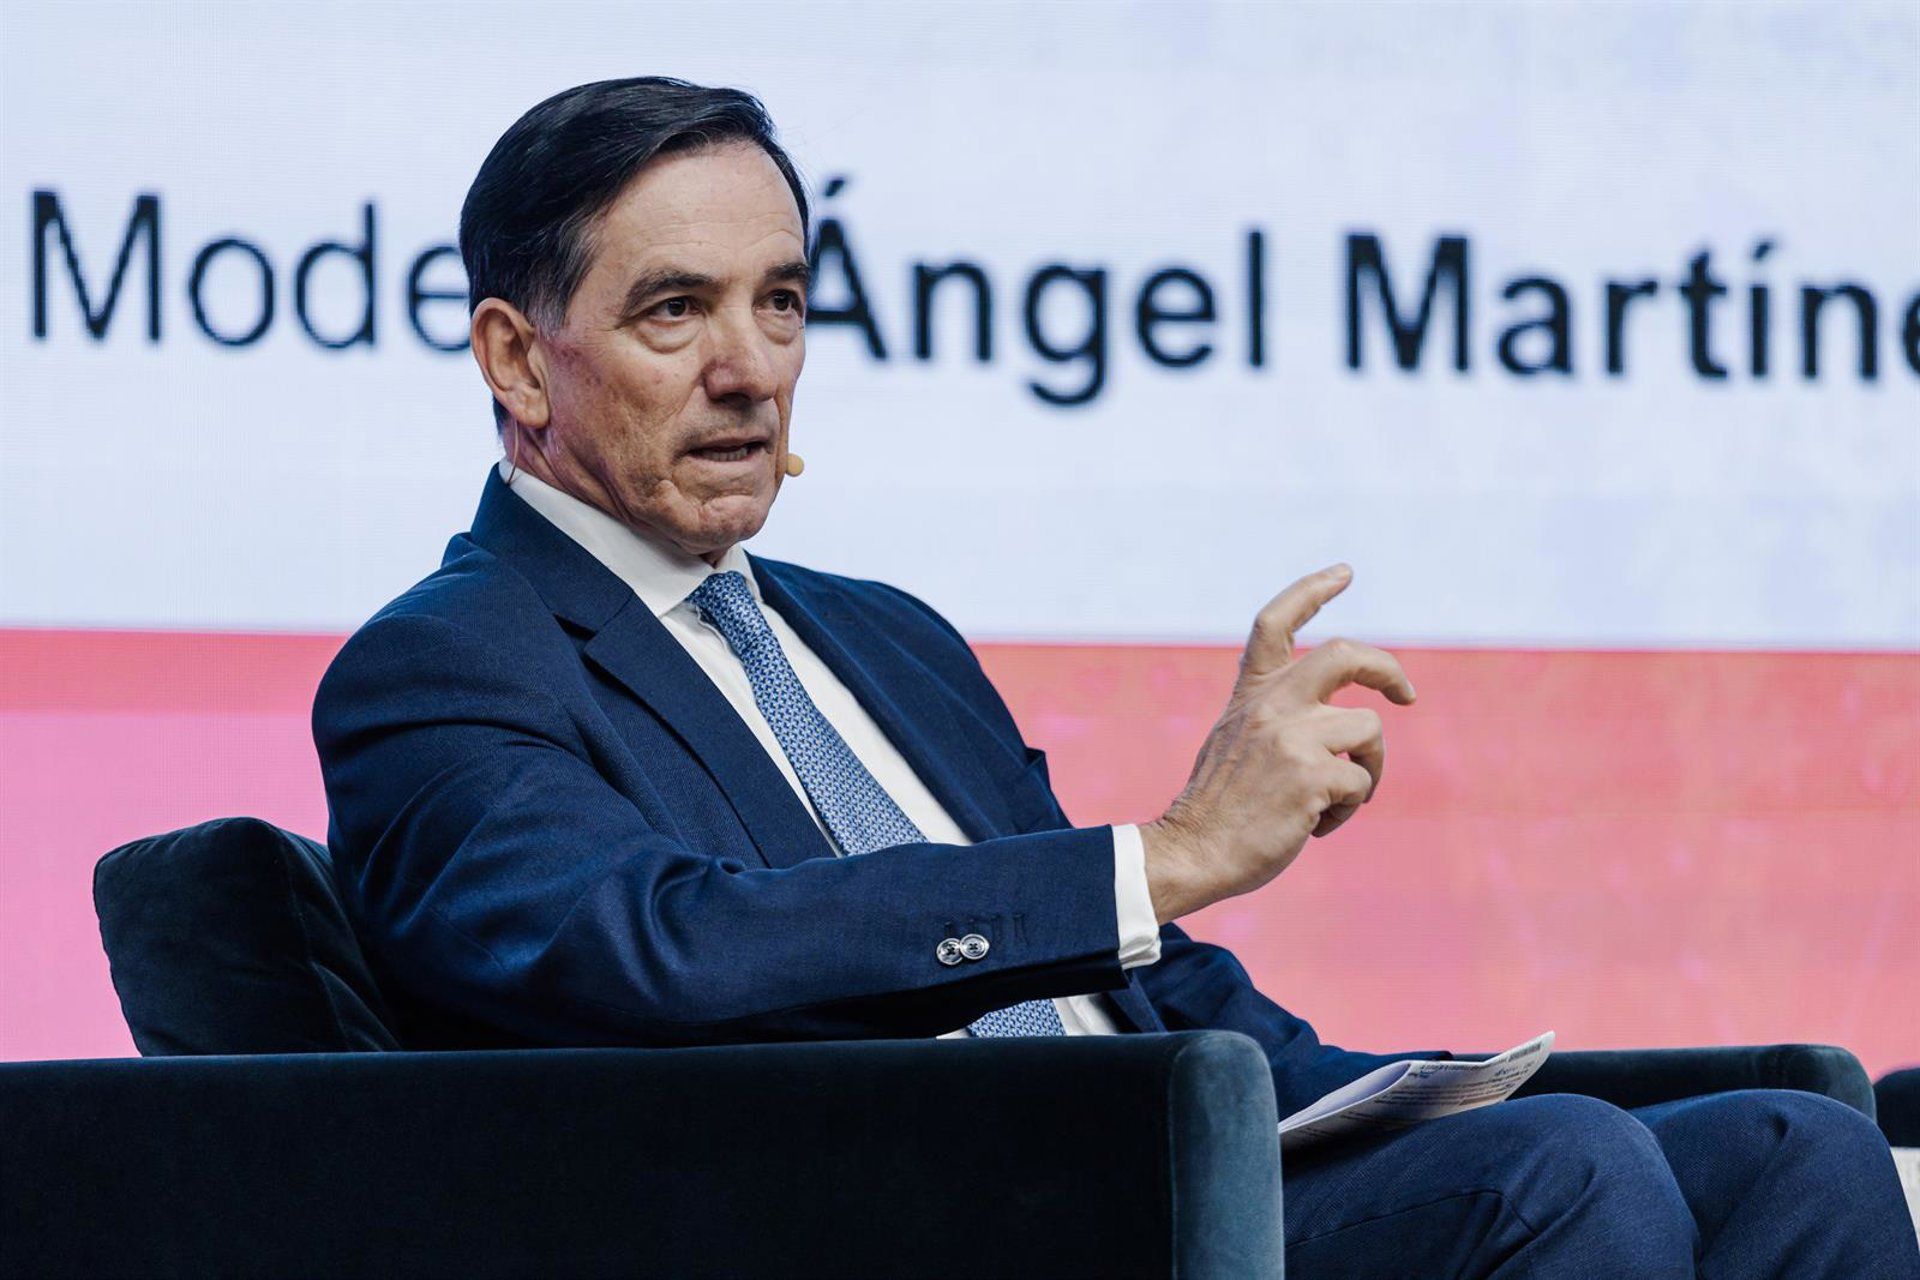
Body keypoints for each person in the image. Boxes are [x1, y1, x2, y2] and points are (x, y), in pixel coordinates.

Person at [312, 77, 1919, 1277]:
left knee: (1801, 1153)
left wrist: (1404, 1099)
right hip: (945, 1222)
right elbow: (660, 949)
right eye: (677, 311)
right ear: (517, 357)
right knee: (1564, 1177)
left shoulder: (883, 636)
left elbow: (1136, 988)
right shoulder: (440, 666)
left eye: (781, 303)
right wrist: (1163, 857)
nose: (751, 369)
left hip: (1173, 1171)